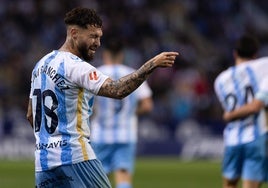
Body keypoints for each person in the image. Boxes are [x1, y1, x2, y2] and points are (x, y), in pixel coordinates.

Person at [26, 7, 178, 188]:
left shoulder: (40, 66)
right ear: (74, 33)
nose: (98, 43)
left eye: (99, 37)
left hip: (43, 163)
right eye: (93, 36)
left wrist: (49, 140)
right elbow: (117, 90)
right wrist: (152, 65)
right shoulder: (76, 66)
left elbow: (30, 114)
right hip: (76, 157)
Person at [90, 39, 153, 188]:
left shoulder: (95, 74)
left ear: (105, 54)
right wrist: (130, 111)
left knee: (97, 180)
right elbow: (147, 105)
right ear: (121, 55)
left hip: (100, 134)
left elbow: (86, 105)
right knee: (123, 178)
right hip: (126, 134)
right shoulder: (133, 75)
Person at [214, 34, 268, 188]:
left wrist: (230, 115)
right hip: (256, 136)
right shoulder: (264, 67)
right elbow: (258, 105)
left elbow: (227, 108)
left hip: (232, 137)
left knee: (229, 184)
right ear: (255, 54)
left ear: (235, 53)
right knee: (250, 185)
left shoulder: (220, 80)